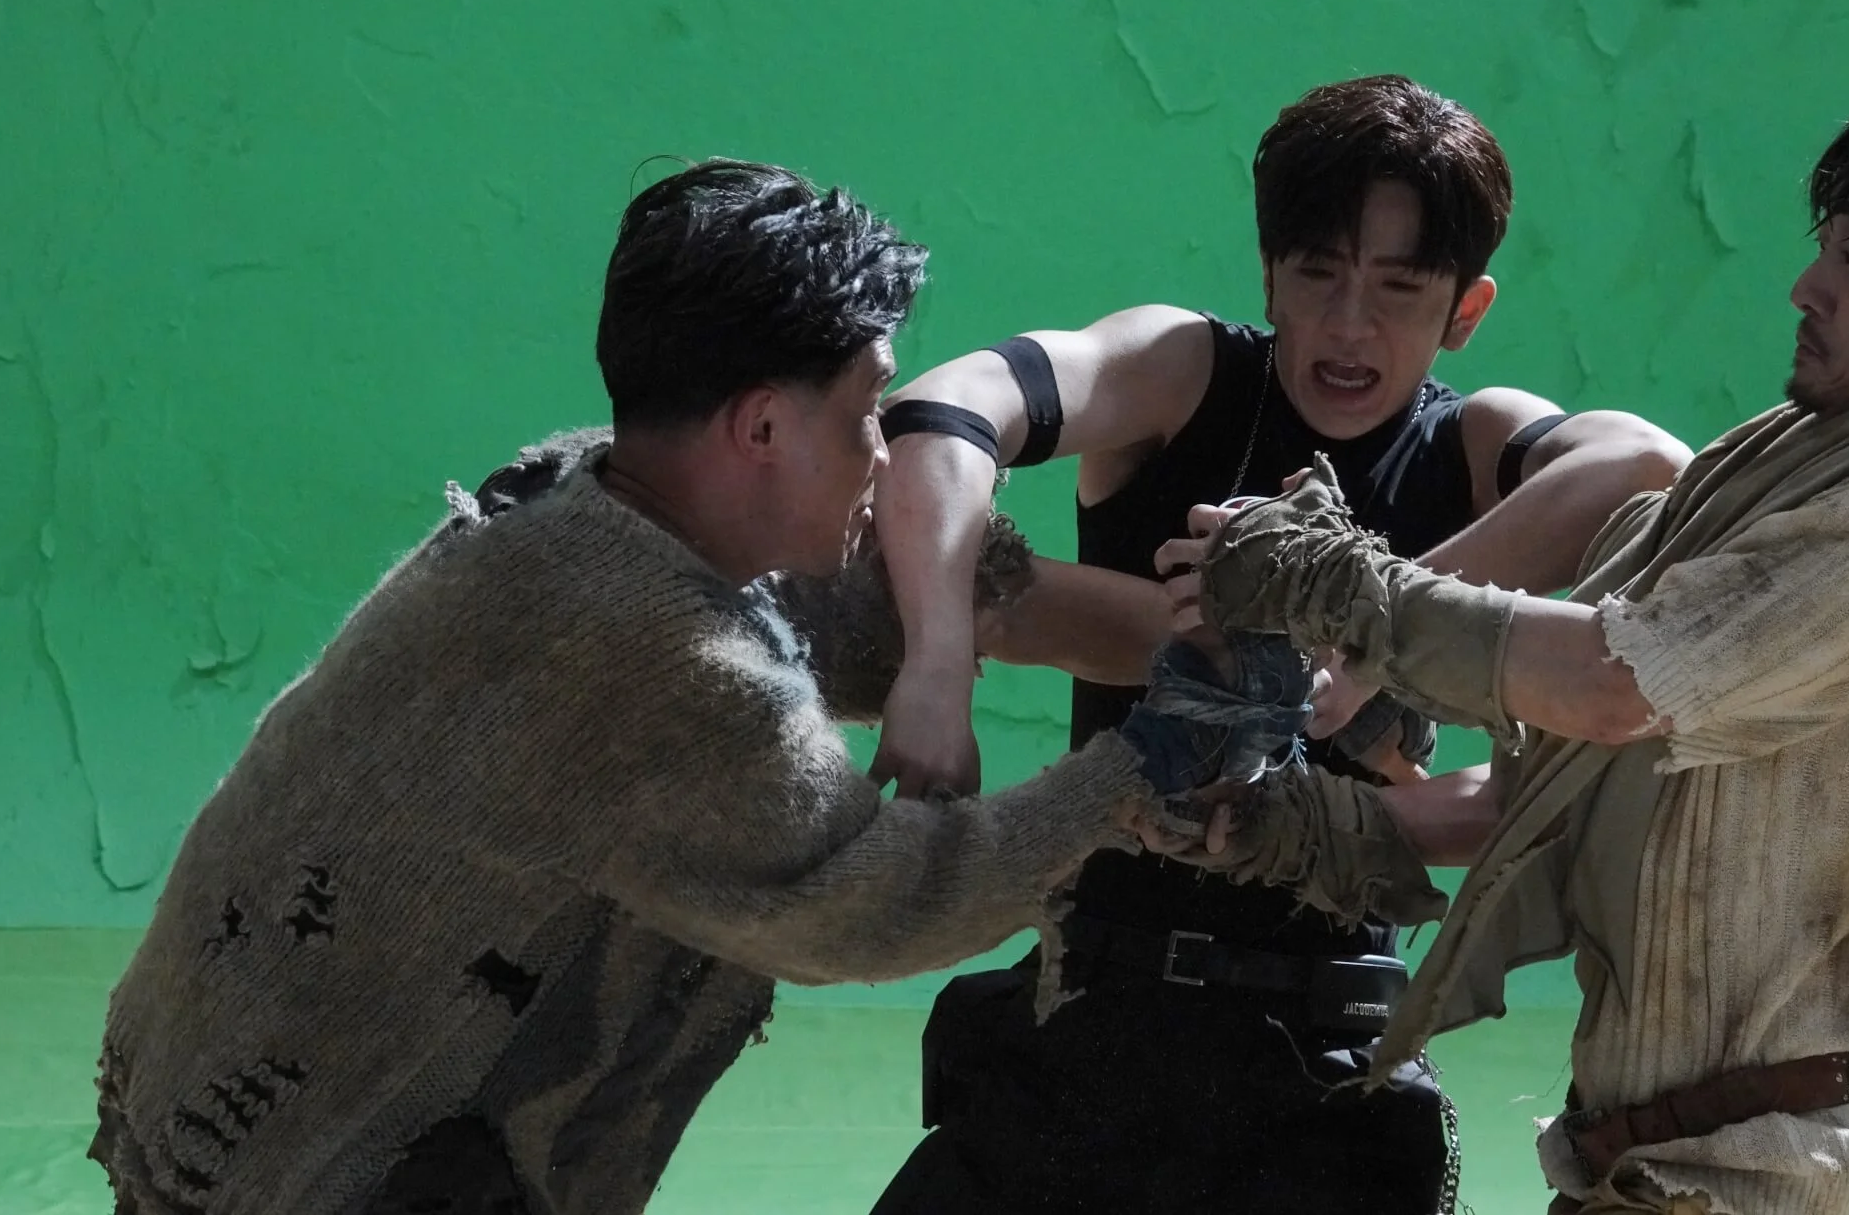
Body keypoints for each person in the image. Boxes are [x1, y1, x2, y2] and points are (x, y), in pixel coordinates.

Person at [84, 159, 1284, 1215]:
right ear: (760, 429)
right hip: (310, 1164)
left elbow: (967, 602)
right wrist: (1147, 764)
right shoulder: (669, 669)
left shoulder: (592, 498)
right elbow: (870, 899)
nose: (882, 454)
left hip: (206, 1077)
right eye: (866, 413)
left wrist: (1225, 646)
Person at [866, 76, 1691, 1214]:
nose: (1350, 325)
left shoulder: (1471, 444)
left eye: (1398, 287)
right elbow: (942, 411)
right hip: (1095, 1012)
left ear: (1464, 308)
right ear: (1268, 274)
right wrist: (934, 666)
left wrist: (1372, 628)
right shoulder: (1184, 374)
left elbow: (1649, 465)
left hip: (1332, 1057)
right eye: (1317, 274)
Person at [1179, 70, 1849, 1215]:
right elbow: (1575, 775)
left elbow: (1611, 684)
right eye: (1826, 245)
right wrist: (1309, 827)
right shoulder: (1801, 448)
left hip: (1754, 1174)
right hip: (1663, 1161)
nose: (1807, 285)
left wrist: (1338, 587)